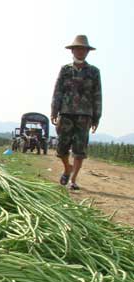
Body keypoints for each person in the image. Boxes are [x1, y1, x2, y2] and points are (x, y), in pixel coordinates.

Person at [51, 35, 102, 190]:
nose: (80, 51)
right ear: (72, 50)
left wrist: (96, 117)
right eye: (78, 48)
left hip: (85, 116)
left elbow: (97, 95)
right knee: (61, 148)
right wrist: (54, 111)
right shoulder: (65, 70)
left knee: (80, 150)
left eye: (84, 49)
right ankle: (67, 167)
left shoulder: (94, 72)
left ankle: (73, 180)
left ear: (87, 52)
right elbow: (58, 91)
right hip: (65, 113)